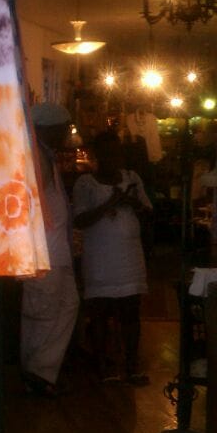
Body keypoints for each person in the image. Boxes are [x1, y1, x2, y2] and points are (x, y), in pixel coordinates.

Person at [72, 130, 152, 385]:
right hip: (100, 259)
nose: (113, 158)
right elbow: (79, 220)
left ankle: (132, 366)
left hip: (129, 257)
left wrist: (133, 202)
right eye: (107, 154)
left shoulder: (132, 178)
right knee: (100, 312)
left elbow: (149, 212)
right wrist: (110, 203)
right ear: (97, 155)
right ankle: (103, 367)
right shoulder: (85, 183)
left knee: (131, 312)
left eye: (117, 153)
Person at [20, 102, 79, 397]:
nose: (67, 134)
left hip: (56, 251)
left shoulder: (45, 155)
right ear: (48, 129)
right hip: (44, 253)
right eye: (64, 128)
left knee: (67, 305)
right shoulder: (35, 157)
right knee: (42, 313)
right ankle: (35, 373)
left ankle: (41, 369)